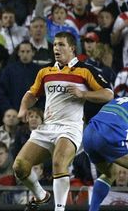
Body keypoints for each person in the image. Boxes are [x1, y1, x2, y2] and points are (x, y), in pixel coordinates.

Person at [12, 32, 113, 211]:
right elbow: (32, 94)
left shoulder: (85, 70)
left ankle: (59, 209)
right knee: (20, 167)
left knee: (59, 162)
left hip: (71, 127)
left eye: (61, 45)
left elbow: (108, 93)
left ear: (72, 48)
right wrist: (23, 109)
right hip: (47, 127)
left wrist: (84, 94)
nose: (56, 49)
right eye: (54, 45)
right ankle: (42, 196)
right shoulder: (45, 71)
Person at [82, 96, 128, 211]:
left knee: (111, 173)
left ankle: (93, 209)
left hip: (88, 135)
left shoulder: (119, 99)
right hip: (108, 135)